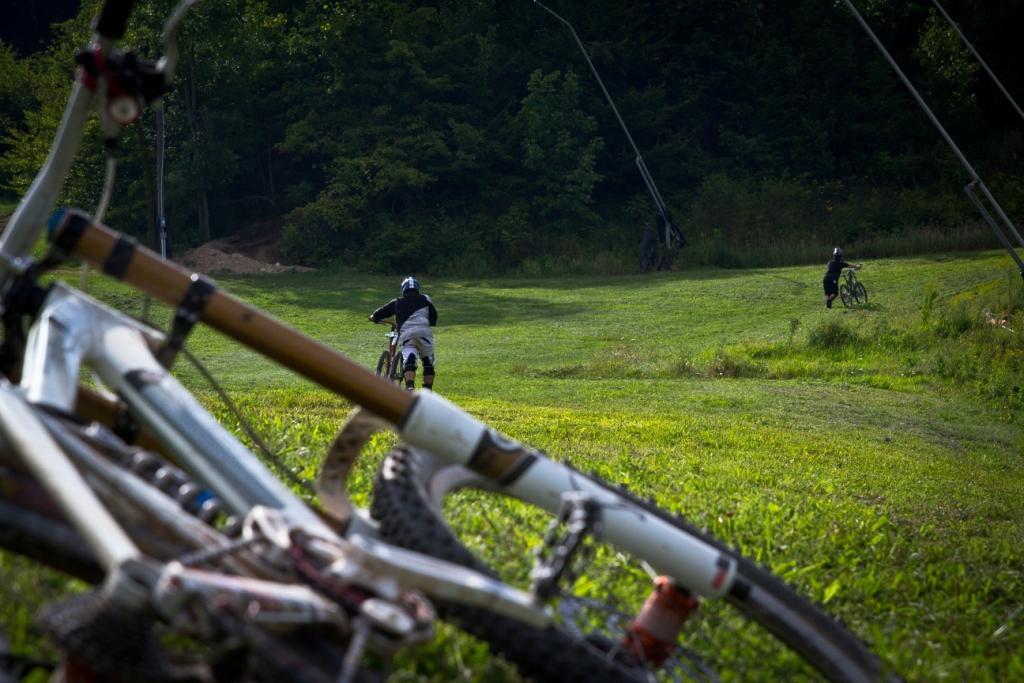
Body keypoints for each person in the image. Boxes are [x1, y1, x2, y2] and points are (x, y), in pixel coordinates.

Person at [369, 276, 438, 391]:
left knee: (409, 358)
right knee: (428, 362)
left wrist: (373, 317)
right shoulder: (426, 298)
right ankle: (427, 391)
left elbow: (379, 313)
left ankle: (410, 387)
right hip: (424, 332)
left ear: (403, 289)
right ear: (417, 288)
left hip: (407, 334)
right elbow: (434, 318)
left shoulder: (397, 302)